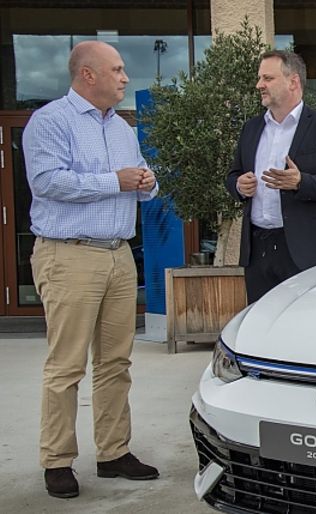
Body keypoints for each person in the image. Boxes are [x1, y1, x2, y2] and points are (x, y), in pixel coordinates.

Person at [23, 40, 160, 499]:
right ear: (88, 75)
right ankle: (57, 460)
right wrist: (114, 181)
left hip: (119, 255)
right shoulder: (50, 121)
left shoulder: (122, 128)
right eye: (117, 70)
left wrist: (146, 181)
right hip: (69, 255)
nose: (125, 78)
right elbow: (46, 181)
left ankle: (113, 452)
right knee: (66, 367)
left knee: (116, 362)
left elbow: (141, 180)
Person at [226, 50, 316, 302]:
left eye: (267, 78)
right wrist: (238, 185)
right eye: (260, 78)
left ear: (293, 82)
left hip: (304, 252)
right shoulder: (251, 128)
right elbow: (233, 175)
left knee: (306, 328)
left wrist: (300, 182)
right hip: (257, 250)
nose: (259, 85)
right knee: (260, 326)